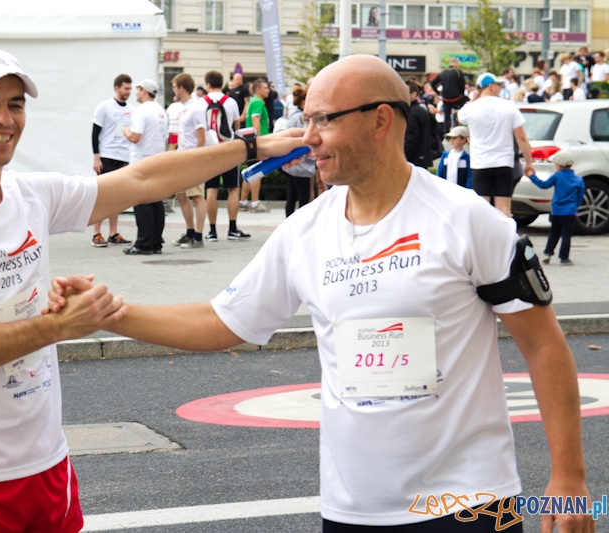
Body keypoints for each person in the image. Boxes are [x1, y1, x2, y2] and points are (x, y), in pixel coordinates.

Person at [50, 54, 593, 532]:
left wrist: (569, 476)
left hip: (473, 503)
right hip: (352, 507)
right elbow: (222, 322)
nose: (307, 136)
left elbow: (544, 346)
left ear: (382, 120)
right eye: (306, 118)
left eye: (323, 120)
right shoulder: (304, 231)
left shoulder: (469, 221)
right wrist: (111, 314)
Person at [0, 46, 306, 533]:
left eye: (16, 104)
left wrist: (254, 148)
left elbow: (143, 177)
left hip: (49, 469)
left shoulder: (30, 194)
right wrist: (55, 326)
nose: (4, 118)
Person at [457, 72, 534, 217]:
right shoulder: (509, 106)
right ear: (491, 87)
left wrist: (472, 100)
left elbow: (460, 117)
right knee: (504, 209)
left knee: (483, 209)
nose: (500, 87)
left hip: (480, 163)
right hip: (504, 163)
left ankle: (484, 239)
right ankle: (506, 239)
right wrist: (528, 162)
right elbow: (521, 137)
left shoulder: (470, 108)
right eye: (498, 85)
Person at [198, 70, 250, 241]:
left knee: (211, 190)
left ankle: (212, 231)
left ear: (207, 84)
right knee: (233, 189)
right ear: (223, 83)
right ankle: (232, 228)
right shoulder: (231, 102)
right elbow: (236, 126)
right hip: (228, 149)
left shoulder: (200, 103)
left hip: (210, 151)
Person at [122, 79, 168, 255]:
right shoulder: (160, 111)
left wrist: (126, 131)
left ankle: (144, 243)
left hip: (141, 160)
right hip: (157, 159)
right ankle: (156, 242)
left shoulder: (141, 110)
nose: (135, 93)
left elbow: (135, 137)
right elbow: (164, 138)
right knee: (156, 201)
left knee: (141, 202)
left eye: (138, 90)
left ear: (143, 91)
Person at [91, 74, 133, 248]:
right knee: (103, 197)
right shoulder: (105, 107)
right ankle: (96, 234)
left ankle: (113, 233)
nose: (129, 92)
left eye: (130, 89)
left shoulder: (132, 109)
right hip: (107, 155)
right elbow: (95, 132)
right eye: (126, 88)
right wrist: (96, 156)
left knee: (117, 198)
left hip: (123, 157)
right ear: (117, 88)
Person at [527, 150, 585, 266]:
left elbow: (543, 185)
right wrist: (575, 207)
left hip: (557, 211)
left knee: (554, 233)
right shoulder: (578, 179)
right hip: (570, 212)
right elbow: (580, 196)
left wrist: (531, 176)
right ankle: (564, 258)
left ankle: (548, 253)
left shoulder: (557, 176)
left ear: (558, 165)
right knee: (566, 235)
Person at [170, 73, 208, 249]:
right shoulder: (184, 107)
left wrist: (196, 159)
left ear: (181, 88)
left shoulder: (196, 108)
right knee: (180, 194)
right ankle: (190, 232)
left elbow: (201, 138)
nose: (173, 89)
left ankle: (198, 237)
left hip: (193, 158)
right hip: (183, 157)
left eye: (174, 86)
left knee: (197, 196)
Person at [282, 86, 315, 217]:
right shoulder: (301, 117)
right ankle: (300, 223)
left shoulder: (292, 115)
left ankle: (288, 223)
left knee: (292, 195)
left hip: (293, 161)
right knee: (303, 196)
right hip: (301, 163)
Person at [239, 78, 271, 213]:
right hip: (257, 140)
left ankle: (243, 201)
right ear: (258, 89)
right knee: (257, 172)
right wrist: (257, 140)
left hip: (249, 141)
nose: (268, 90)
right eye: (265, 88)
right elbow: (255, 120)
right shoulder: (258, 102)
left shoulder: (253, 101)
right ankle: (255, 202)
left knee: (251, 171)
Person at [429, 57, 467, 135]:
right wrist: (461, 94)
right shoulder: (458, 72)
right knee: (466, 105)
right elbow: (462, 85)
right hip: (457, 97)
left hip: (446, 98)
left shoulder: (443, 72)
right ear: (457, 64)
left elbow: (432, 83)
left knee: (446, 116)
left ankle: (446, 133)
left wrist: (439, 92)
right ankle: (463, 128)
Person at [403, 80, 432, 169]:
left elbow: (411, 137)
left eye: (405, 92)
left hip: (414, 159)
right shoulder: (421, 110)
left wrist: (403, 156)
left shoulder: (413, 112)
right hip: (423, 157)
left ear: (414, 95)